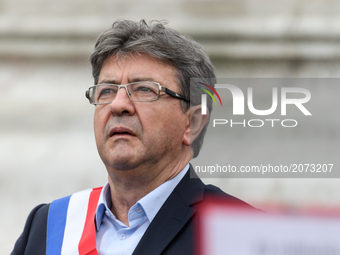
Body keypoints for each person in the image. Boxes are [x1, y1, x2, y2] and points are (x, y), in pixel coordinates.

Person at [11, 19, 252, 255]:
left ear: (193, 122)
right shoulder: (50, 226)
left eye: (144, 89)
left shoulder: (237, 230)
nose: (118, 105)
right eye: (107, 90)